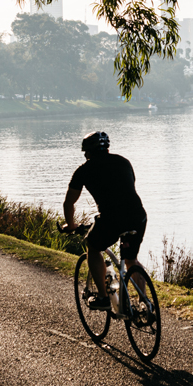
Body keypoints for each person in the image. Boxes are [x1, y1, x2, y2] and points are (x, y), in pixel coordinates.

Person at [62, 131, 147, 310]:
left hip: (111, 219)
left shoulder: (84, 170)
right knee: (131, 259)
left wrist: (70, 225)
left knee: (93, 247)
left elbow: (69, 202)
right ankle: (145, 304)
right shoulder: (124, 162)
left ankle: (103, 298)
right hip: (137, 215)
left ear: (87, 152)